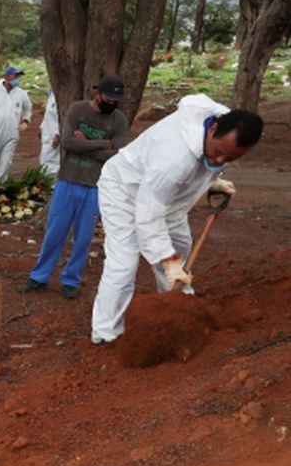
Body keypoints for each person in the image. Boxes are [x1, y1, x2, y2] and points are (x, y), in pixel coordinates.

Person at [90, 96, 262, 344]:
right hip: (125, 194)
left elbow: (200, 167)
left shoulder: (222, 123)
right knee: (124, 264)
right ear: (212, 129)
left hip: (167, 199)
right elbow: (149, 217)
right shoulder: (172, 159)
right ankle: (105, 332)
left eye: (230, 159)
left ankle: (178, 306)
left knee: (180, 249)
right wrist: (167, 260)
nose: (220, 161)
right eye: (219, 153)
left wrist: (211, 181)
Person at [20, 77, 131, 299]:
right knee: (55, 233)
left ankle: (71, 280)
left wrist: (86, 141)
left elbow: (116, 156)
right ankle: (39, 276)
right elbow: (68, 143)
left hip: (95, 186)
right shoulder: (78, 109)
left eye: (116, 100)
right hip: (68, 180)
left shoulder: (119, 120)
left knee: (83, 238)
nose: (112, 103)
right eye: (108, 98)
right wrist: (102, 143)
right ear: (97, 93)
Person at [38, 88, 60, 175]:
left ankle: (51, 185)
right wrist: (41, 127)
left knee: (52, 162)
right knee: (44, 159)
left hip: (54, 135)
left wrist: (58, 134)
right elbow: (47, 115)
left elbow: (61, 117)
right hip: (47, 133)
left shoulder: (59, 97)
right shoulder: (51, 96)